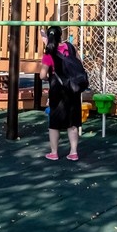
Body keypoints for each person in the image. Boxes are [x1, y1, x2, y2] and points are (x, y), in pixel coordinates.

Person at [39, 26, 81, 160]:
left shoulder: (49, 53)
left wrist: (49, 76)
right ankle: (73, 152)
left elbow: (42, 75)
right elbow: (80, 63)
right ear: (61, 35)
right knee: (72, 121)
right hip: (72, 87)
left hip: (57, 88)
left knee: (54, 122)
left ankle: (54, 152)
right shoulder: (70, 47)